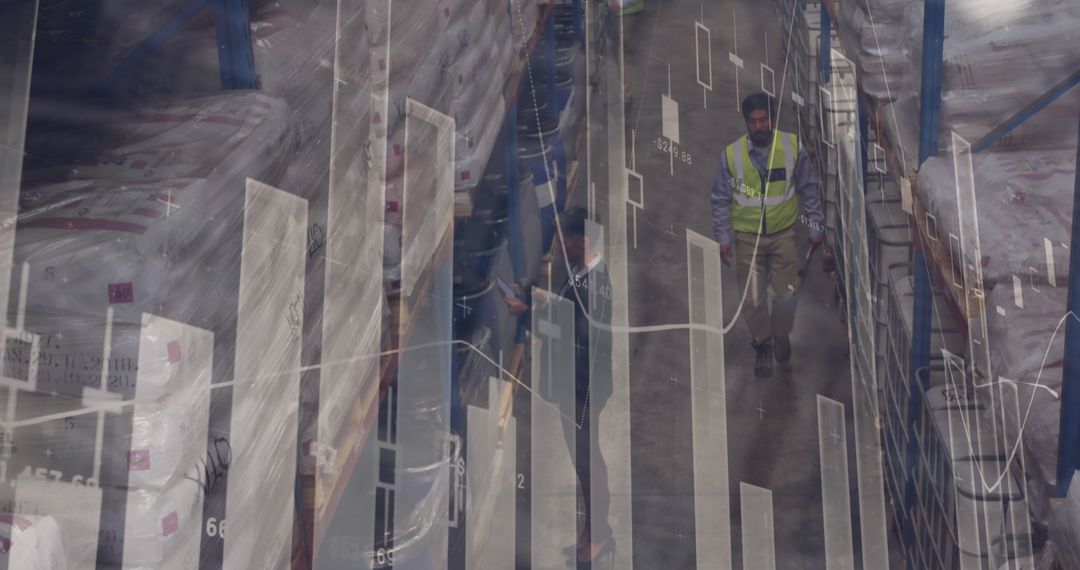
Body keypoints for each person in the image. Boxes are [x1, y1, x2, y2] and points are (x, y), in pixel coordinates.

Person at [503, 207, 615, 566]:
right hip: (577, 381)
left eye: (563, 241)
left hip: (583, 384)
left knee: (587, 460)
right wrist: (543, 298)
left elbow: (573, 334)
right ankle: (592, 529)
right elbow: (571, 313)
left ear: (582, 241)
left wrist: (527, 314)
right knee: (582, 460)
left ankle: (600, 536)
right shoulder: (584, 271)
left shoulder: (593, 284)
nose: (558, 247)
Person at [710, 92, 825, 378]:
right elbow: (720, 199)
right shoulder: (731, 156)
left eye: (764, 120)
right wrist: (723, 238)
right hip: (748, 238)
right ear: (746, 123)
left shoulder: (791, 148)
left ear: (771, 119)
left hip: (783, 235)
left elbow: (809, 189)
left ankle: (781, 333)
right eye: (753, 122)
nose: (759, 127)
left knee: (787, 294)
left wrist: (815, 227)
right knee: (752, 299)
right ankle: (763, 345)